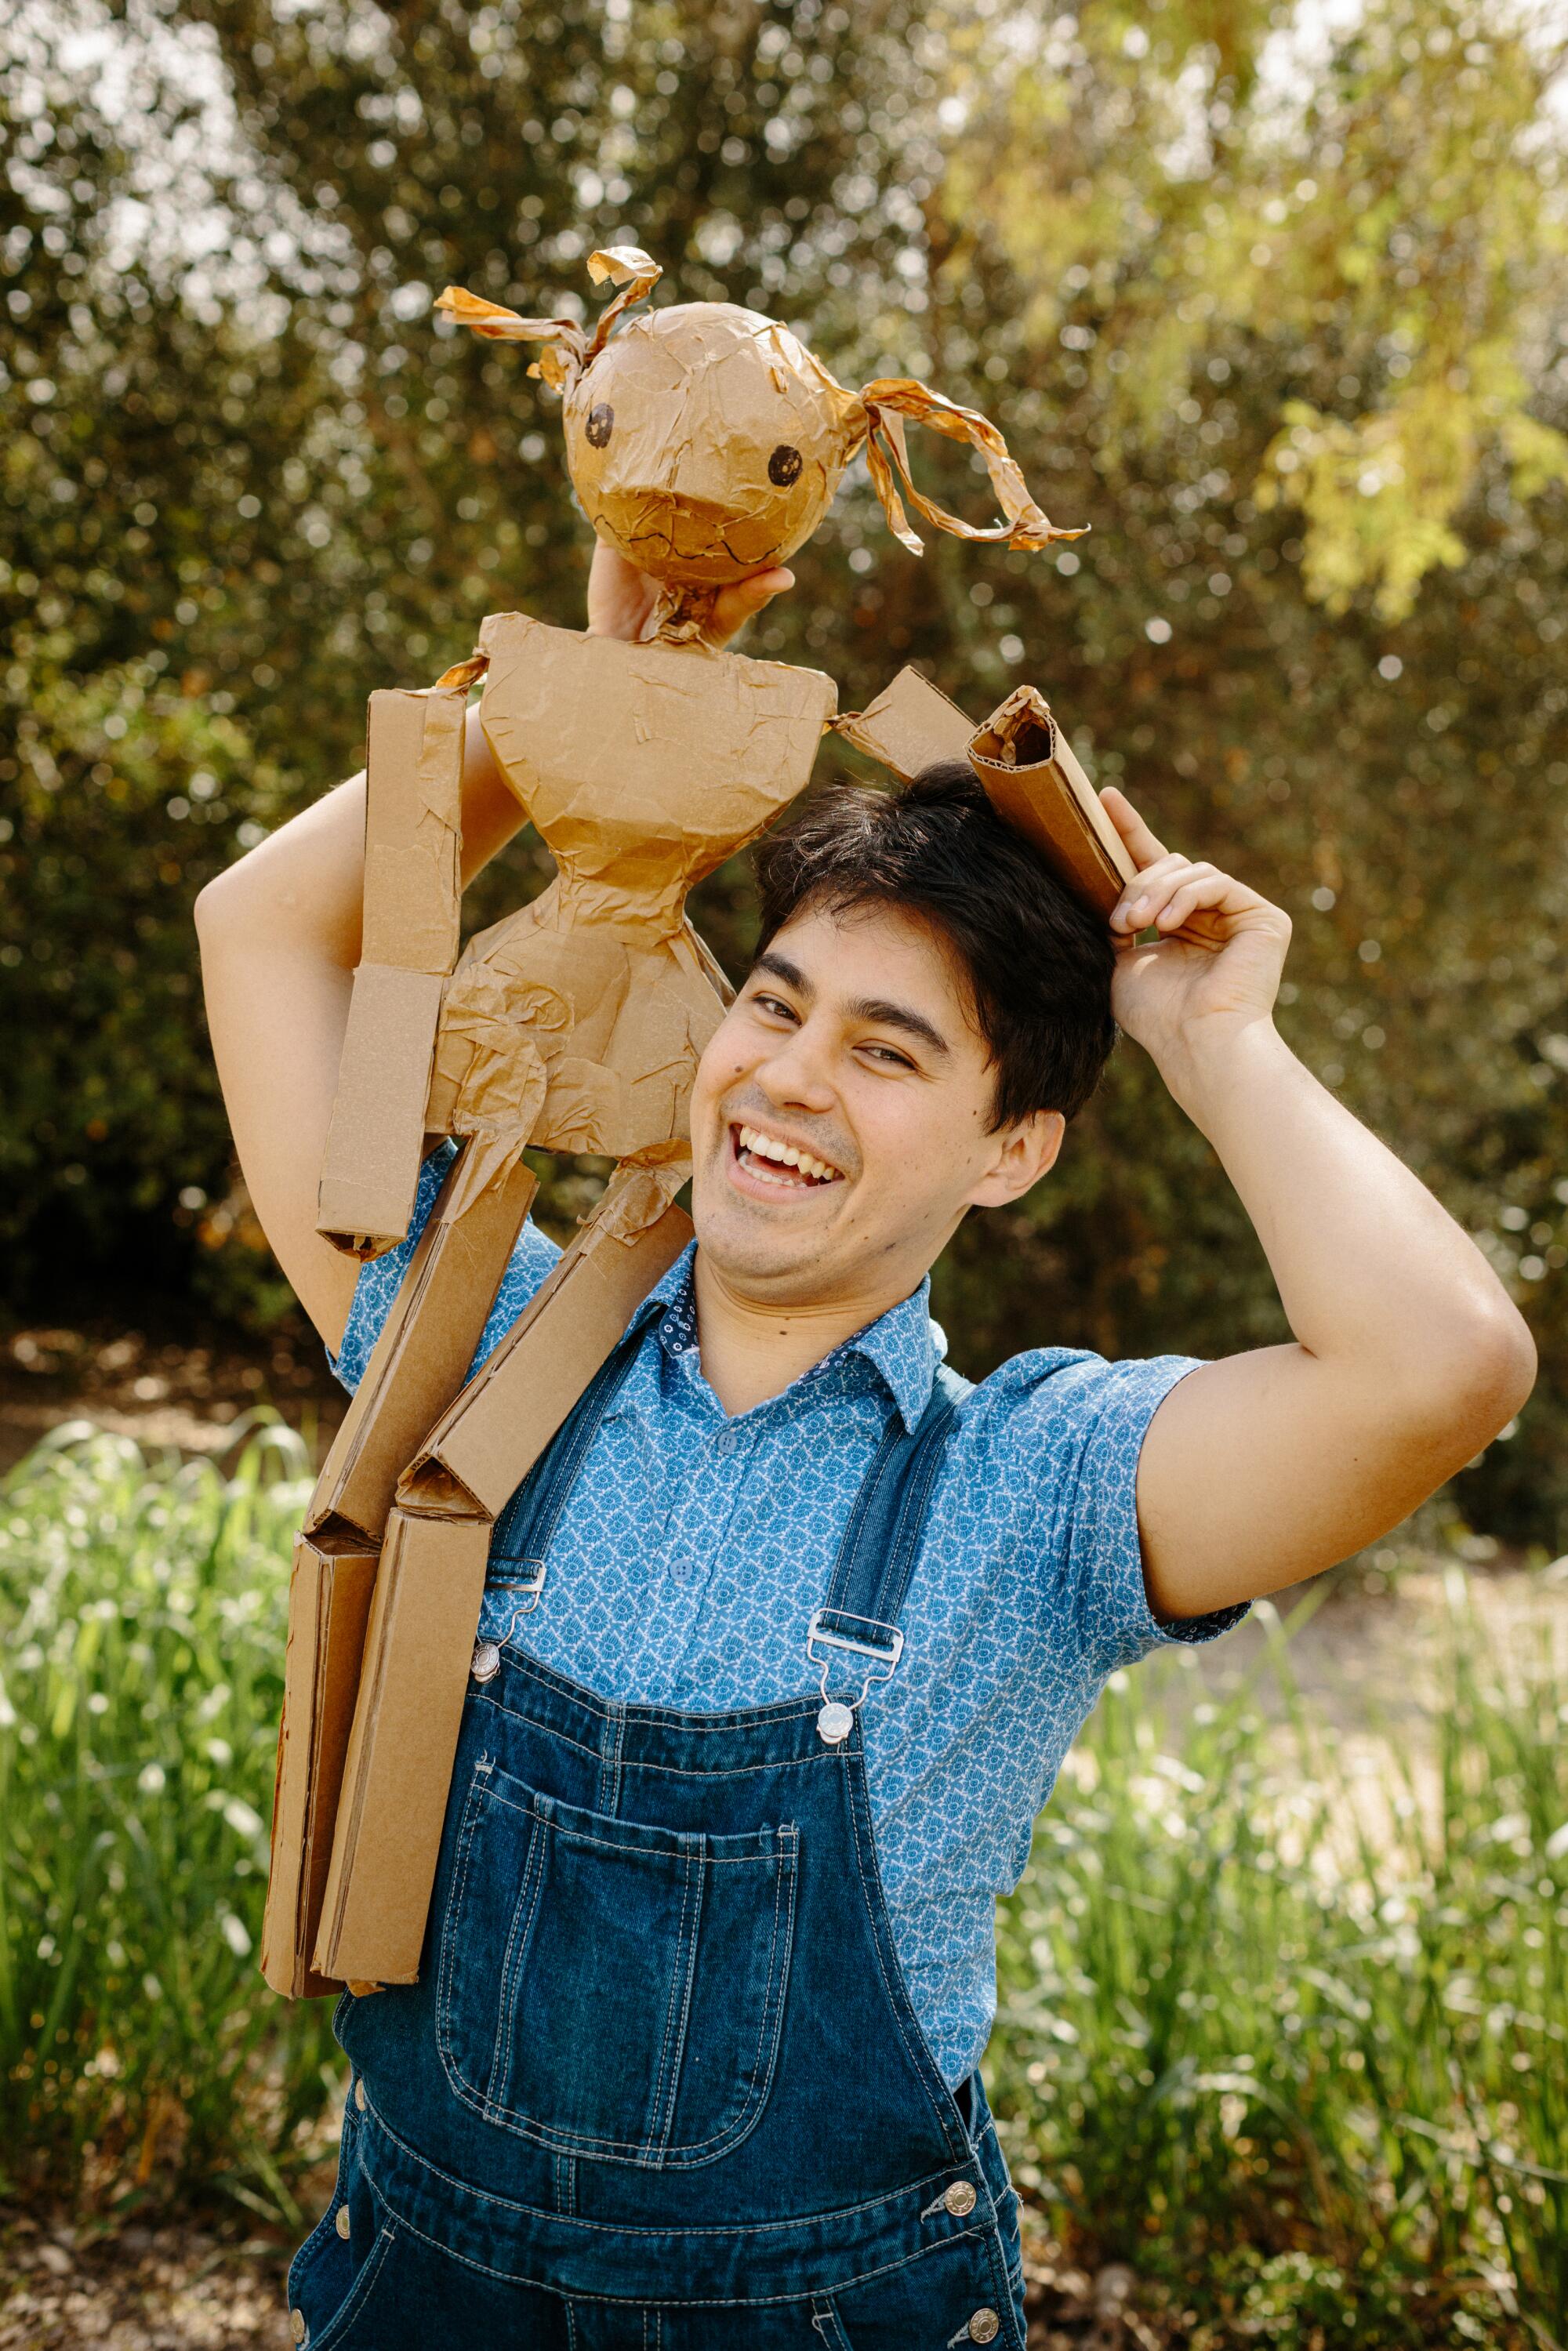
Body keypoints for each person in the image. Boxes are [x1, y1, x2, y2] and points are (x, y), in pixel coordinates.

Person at [196, 547, 1534, 2351]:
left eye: (888, 1052)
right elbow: (264, 930)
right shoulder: (480, 1345)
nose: (788, 1078)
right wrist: (595, 703)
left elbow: (1440, 1367)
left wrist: (1214, 1045)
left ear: (1013, 1150)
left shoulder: (1041, 1488)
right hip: (424, 2292)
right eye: (774, 1003)